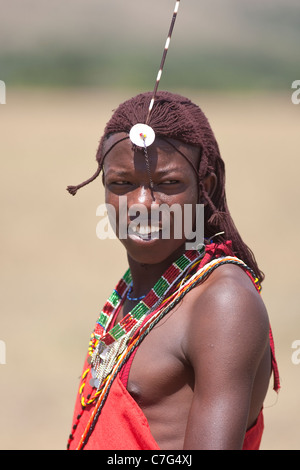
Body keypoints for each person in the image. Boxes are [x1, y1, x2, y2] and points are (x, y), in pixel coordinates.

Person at [66, 91, 279, 450]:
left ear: (204, 188)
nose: (142, 204)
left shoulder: (222, 301)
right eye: (121, 184)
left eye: (168, 184)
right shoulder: (136, 290)